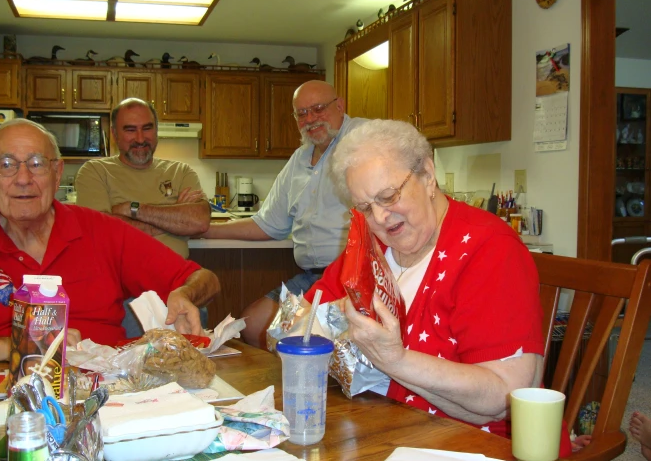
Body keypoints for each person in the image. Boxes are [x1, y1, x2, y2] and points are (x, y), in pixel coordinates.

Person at [305, 119, 545, 437]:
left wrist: (394, 359)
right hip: (380, 429)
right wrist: (335, 315)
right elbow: (302, 321)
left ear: (428, 176)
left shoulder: (489, 249)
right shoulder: (370, 245)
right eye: (364, 207)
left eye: (388, 196)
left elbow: (504, 395)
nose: (378, 217)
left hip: (476, 451)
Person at [0, 119, 220, 365]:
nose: (22, 179)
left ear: (57, 174)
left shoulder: (101, 230)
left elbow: (205, 278)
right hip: (2, 399)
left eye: (36, 163)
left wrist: (186, 293)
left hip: (110, 393)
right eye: (7, 164)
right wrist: (2, 346)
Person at [198, 80, 366, 347]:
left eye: (319, 108)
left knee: (306, 337)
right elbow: (268, 224)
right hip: (312, 277)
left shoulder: (365, 139)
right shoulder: (299, 160)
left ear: (340, 106)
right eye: (302, 113)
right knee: (253, 324)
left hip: (355, 276)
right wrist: (206, 230)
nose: (311, 119)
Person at [75, 98, 210, 259]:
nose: (140, 139)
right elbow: (100, 231)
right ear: (114, 134)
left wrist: (131, 209)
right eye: (130, 130)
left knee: (208, 281)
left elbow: (199, 221)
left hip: (175, 278)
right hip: (120, 281)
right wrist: (174, 218)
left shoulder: (181, 171)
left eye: (147, 128)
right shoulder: (95, 171)